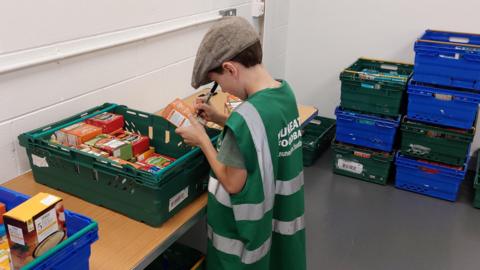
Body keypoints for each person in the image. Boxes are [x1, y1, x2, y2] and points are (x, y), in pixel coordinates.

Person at [175, 16, 306, 270]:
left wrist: (203, 140)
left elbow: (233, 182)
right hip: (278, 223)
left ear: (231, 69)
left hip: (244, 244)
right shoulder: (284, 93)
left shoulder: (245, 119)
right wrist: (221, 118)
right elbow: (262, 133)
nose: (224, 90)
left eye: (220, 82)